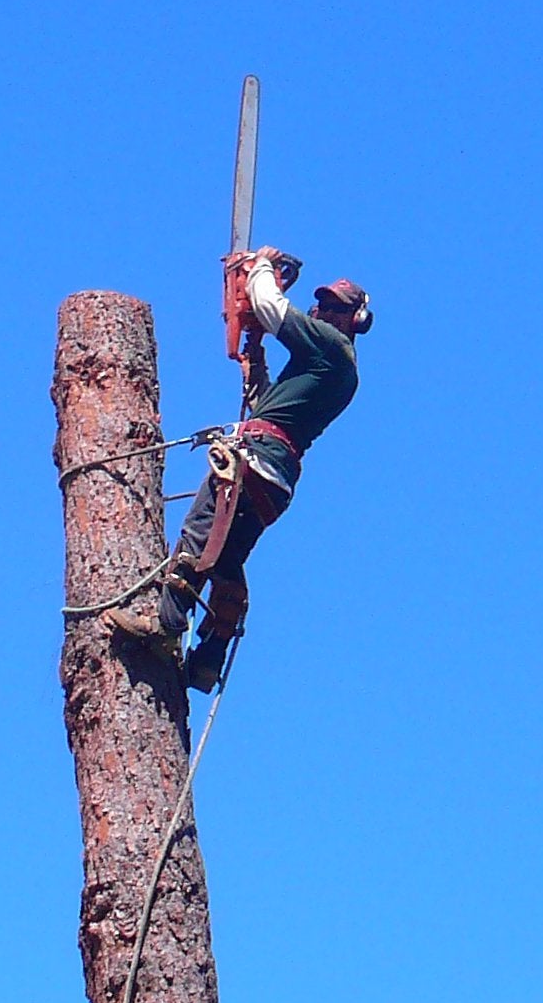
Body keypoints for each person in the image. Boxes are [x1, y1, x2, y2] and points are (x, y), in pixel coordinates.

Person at [110, 245, 367, 692]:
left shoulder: (332, 349)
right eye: (322, 303)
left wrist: (260, 265)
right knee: (227, 561)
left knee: (198, 534)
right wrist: (257, 366)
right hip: (276, 476)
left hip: (255, 461)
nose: (323, 311)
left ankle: (166, 627)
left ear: (354, 320)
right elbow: (275, 409)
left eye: (334, 307)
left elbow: (269, 306)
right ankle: (207, 659)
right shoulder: (330, 367)